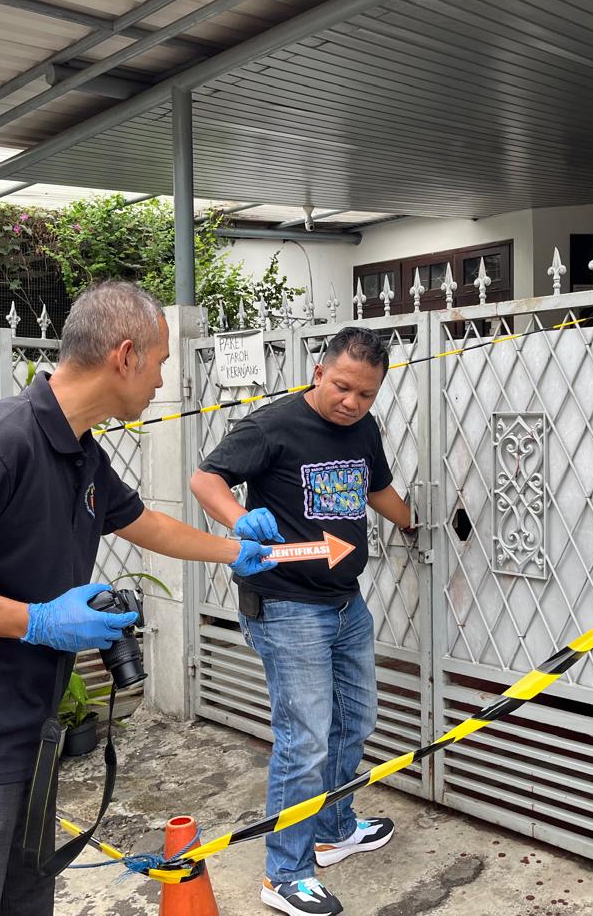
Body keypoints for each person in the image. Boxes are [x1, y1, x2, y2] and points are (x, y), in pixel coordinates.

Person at [0, 281, 275, 916]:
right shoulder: (0, 442)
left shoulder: (80, 449)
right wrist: (38, 621)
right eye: (162, 363)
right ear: (126, 355)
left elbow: (145, 523)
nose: (162, 382)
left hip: (32, 744)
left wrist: (236, 548)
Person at [190, 326, 414, 916]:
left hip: (346, 602)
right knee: (305, 738)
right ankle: (283, 873)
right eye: (342, 387)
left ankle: (333, 828)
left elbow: (379, 489)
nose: (352, 403)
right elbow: (204, 479)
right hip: (287, 606)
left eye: (366, 394)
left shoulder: (362, 428)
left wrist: (417, 522)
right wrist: (239, 518)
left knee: (356, 719)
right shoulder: (272, 426)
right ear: (319, 372)